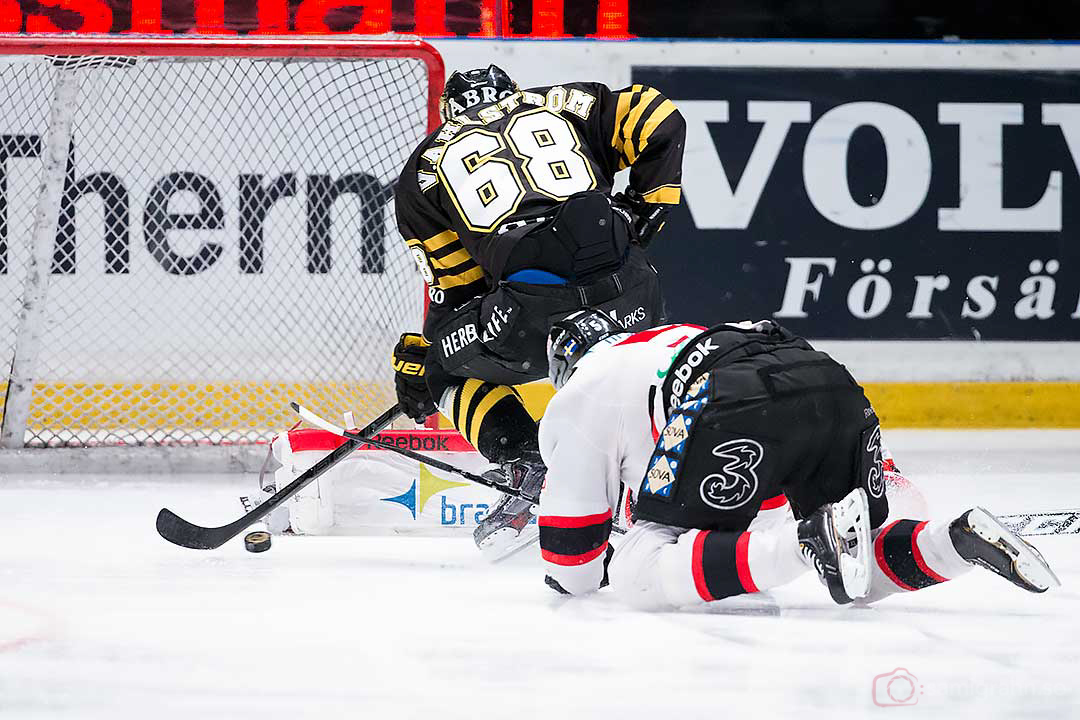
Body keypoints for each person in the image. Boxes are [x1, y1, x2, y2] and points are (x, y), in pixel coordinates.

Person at [536, 311, 1060, 607]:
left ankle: (811, 539)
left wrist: (603, 553)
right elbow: (901, 495)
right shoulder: (668, 345)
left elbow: (573, 566)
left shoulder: (584, 389)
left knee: (638, 572)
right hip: (831, 384)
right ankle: (955, 539)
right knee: (860, 563)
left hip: (733, 401)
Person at [391, 66, 686, 556]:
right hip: (634, 289)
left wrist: (423, 364)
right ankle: (659, 486)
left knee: (438, 366)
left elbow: (461, 295)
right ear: (515, 94)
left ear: (447, 116)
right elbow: (660, 117)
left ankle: (530, 467)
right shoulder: (563, 102)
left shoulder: (423, 169)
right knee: (630, 375)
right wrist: (643, 213)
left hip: (535, 314)